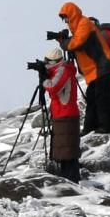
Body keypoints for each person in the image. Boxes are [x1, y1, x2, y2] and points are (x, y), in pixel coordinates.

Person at [57, 2, 110, 139]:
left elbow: (77, 43)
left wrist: (63, 43)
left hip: (103, 65)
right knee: (91, 98)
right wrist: (65, 41)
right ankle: (90, 128)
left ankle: (107, 127)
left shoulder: (84, 23)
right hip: (96, 70)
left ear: (72, 14)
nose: (65, 21)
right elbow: (76, 43)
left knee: (101, 98)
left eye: (66, 17)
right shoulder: (78, 28)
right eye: (63, 19)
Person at [42, 47, 83, 182]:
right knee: (64, 150)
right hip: (62, 114)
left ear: (54, 62)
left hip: (66, 115)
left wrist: (44, 80)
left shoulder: (63, 70)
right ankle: (69, 179)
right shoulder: (59, 70)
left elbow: (53, 87)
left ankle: (71, 180)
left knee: (67, 151)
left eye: (47, 61)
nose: (45, 64)